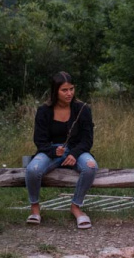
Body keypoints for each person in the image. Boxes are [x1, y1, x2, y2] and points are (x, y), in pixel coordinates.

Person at [25, 71, 98, 229]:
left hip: (76, 150)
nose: (69, 93)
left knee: (91, 166)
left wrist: (74, 153)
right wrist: (52, 151)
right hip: (51, 150)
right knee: (32, 169)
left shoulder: (82, 109)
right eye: (64, 90)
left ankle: (76, 207)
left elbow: (87, 139)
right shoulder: (44, 111)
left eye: (71, 89)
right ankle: (35, 209)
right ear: (55, 91)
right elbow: (39, 140)